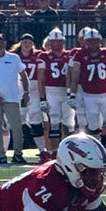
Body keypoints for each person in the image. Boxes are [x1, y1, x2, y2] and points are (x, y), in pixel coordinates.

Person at [0, 33, 29, 164]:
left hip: (12, 97)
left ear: (5, 42)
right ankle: (0, 155)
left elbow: (24, 76)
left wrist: (26, 92)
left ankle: (18, 154)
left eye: (2, 41)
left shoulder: (14, 58)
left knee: (17, 127)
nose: (0, 43)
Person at [68, 28, 106, 140]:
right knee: (93, 124)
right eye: (90, 41)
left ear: (100, 41)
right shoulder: (80, 55)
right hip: (89, 95)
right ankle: (98, 148)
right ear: (85, 42)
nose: (93, 44)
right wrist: (72, 94)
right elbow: (75, 77)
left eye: (95, 41)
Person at [37, 28, 74, 159]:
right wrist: (42, 98)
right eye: (54, 42)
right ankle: (54, 152)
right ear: (50, 43)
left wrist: (72, 93)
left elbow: (73, 75)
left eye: (59, 42)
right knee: (54, 122)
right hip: (51, 90)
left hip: (66, 91)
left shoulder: (70, 55)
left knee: (69, 123)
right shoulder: (44, 56)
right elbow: (40, 79)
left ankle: (68, 152)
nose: (57, 45)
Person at [13, 34, 47, 161]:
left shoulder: (38, 55)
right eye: (25, 42)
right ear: (20, 43)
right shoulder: (14, 56)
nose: (27, 44)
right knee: (19, 121)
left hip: (34, 89)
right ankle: (18, 151)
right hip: (18, 89)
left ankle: (42, 150)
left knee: (36, 119)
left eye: (29, 42)